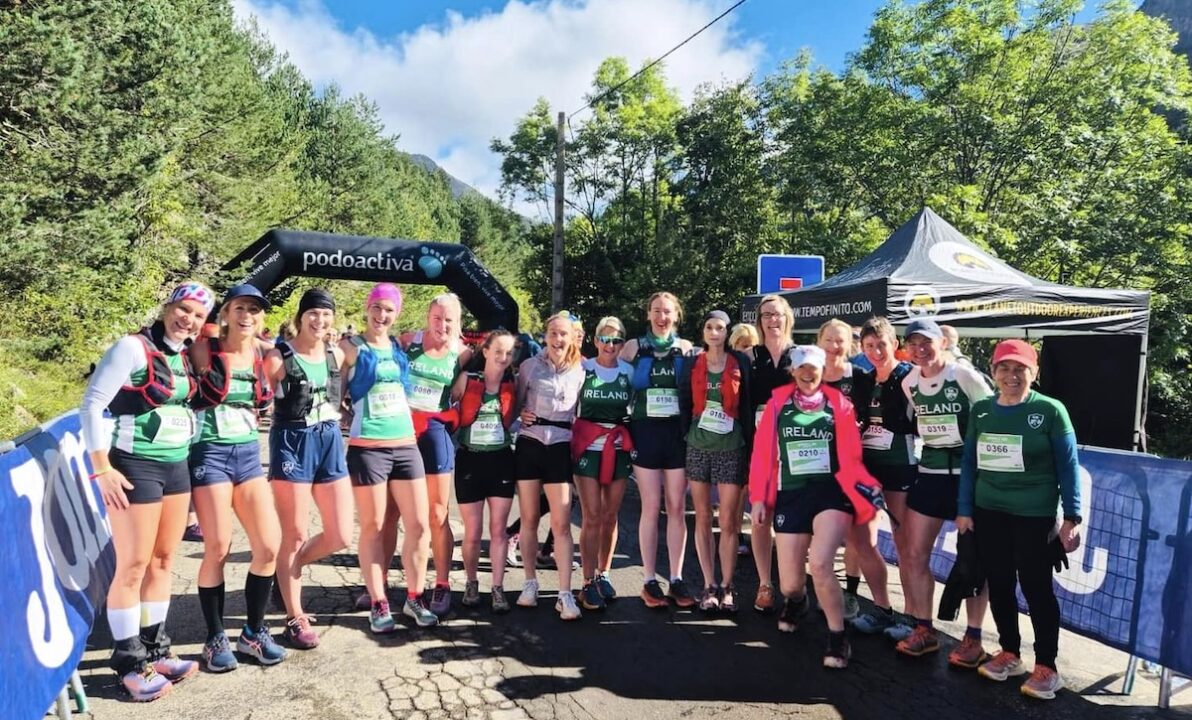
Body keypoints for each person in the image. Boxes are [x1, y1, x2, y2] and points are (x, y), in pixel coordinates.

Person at [81, 281, 213, 701]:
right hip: (135, 464)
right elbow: (92, 404)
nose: (187, 319)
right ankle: (128, 662)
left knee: (162, 560)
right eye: (183, 309)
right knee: (133, 565)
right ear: (168, 306)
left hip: (176, 466)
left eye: (197, 315)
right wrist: (101, 468)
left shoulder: (186, 354)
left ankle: (156, 649)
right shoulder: (132, 347)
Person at [957, 339, 1082, 700]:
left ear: (1034, 372)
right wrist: (964, 510)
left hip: (1034, 514)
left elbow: (1068, 466)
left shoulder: (1051, 410)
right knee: (998, 583)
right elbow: (969, 462)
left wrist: (1072, 516)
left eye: (1020, 369)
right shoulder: (981, 410)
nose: (1011, 375)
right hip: (988, 511)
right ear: (993, 372)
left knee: (1036, 587)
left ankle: (1047, 666)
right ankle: (1009, 651)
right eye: (1004, 368)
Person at [749, 345, 883, 669]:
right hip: (791, 493)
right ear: (793, 372)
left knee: (821, 564)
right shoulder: (777, 404)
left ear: (823, 372)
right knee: (790, 584)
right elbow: (763, 454)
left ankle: (837, 635)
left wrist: (866, 486)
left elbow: (852, 455)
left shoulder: (839, 405)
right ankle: (798, 601)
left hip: (830, 493)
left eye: (814, 369)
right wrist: (758, 497)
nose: (808, 374)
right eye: (802, 368)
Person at [187, 284, 286, 671]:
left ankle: (253, 633)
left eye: (254, 310)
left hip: (247, 455)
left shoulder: (264, 355)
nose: (247, 316)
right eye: (240, 308)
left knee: (269, 546)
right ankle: (214, 639)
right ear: (226, 313)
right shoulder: (203, 349)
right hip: (209, 453)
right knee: (218, 546)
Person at [339, 283, 438, 631]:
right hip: (369, 449)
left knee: (420, 525)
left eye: (389, 310)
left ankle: (415, 597)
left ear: (397, 314)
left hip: (406, 445)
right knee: (374, 527)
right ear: (368, 309)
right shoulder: (351, 347)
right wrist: (345, 416)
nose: (382, 315)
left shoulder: (397, 347)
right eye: (377, 307)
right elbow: (332, 393)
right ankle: (379, 602)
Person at [897, 318, 992, 663]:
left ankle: (974, 637)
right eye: (913, 344)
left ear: (942, 342)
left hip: (969, 477)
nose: (920, 349)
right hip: (931, 474)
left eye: (926, 342)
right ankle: (925, 629)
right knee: (914, 553)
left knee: (973, 560)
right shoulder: (909, 382)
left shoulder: (962, 375)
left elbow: (992, 414)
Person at [264, 288, 353, 649]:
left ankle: (286, 571)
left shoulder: (337, 353)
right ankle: (294, 617)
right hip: (292, 439)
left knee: (341, 534)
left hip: (329, 438)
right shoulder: (278, 357)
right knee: (295, 533)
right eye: (313, 313)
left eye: (326, 314)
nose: (320, 320)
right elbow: (253, 396)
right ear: (301, 317)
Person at [620, 292, 695, 608]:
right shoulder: (633, 347)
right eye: (656, 311)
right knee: (650, 506)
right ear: (648, 314)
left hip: (676, 435)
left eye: (667, 312)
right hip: (645, 433)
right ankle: (650, 579)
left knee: (677, 507)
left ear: (676, 315)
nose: (662, 317)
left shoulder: (687, 348)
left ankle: (676, 578)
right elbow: (613, 381)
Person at [818, 319, 892, 623]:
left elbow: (875, 418)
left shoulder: (860, 377)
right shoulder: (808, 373)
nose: (834, 346)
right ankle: (816, 592)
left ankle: (864, 599)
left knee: (860, 539)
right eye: (829, 340)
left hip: (855, 468)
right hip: (815, 468)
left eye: (841, 341)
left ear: (850, 345)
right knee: (818, 535)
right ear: (819, 341)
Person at [849, 317, 917, 640]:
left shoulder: (908, 376)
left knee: (905, 544)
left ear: (895, 344)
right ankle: (882, 608)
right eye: (869, 346)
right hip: (868, 465)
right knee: (863, 538)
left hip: (900, 464)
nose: (876, 351)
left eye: (881, 344)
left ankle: (913, 618)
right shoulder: (864, 380)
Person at [404, 293, 472, 617]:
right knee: (392, 512)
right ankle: (376, 587)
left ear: (457, 322)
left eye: (449, 319)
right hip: (401, 428)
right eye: (437, 317)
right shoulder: (409, 341)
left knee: (437, 512)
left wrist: (466, 375)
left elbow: (494, 369)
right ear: (427, 317)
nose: (442, 325)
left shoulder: (464, 353)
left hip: (434, 430)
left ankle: (442, 583)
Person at [679, 310, 752, 612]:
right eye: (709, 327)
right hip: (699, 445)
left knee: (729, 521)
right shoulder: (691, 364)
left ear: (727, 332)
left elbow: (747, 404)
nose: (714, 332)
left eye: (719, 328)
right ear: (703, 332)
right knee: (702, 516)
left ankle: (727, 585)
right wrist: (686, 434)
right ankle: (709, 584)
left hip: (731, 446)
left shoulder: (740, 363)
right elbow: (684, 401)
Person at [515, 311, 586, 619]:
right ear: (545, 336)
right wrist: (519, 414)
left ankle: (564, 594)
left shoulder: (581, 371)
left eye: (563, 334)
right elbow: (514, 405)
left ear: (573, 338)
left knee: (561, 523)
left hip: (559, 445)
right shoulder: (529, 367)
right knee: (530, 518)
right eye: (553, 333)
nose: (558, 339)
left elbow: (583, 413)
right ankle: (529, 583)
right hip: (530, 443)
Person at [571, 317, 635, 611]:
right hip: (588, 447)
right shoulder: (583, 369)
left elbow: (637, 408)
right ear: (595, 340)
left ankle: (603, 574)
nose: (610, 345)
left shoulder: (628, 372)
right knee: (592, 515)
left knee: (610, 515)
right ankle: (587, 581)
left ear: (623, 343)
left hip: (617, 448)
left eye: (616, 340)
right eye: (605, 339)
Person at [454, 330, 519, 614]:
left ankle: (497, 587)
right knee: (472, 531)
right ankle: (471, 583)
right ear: (486, 351)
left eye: (509, 353)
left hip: (501, 460)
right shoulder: (467, 379)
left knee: (498, 531)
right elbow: (447, 403)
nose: (503, 357)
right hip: (470, 459)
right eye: (498, 351)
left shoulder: (512, 383)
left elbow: (520, 412)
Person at [744, 294, 795, 612]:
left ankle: (793, 586)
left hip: (794, 450)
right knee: (760, 518)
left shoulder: (801, 355)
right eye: (766, 315)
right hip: (760, 449)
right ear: (759, 321)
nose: (773, 320)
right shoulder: (749, 356)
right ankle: (765, 583)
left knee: (792, 522)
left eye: (778, 314)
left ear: (788, 318)